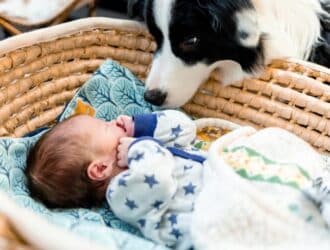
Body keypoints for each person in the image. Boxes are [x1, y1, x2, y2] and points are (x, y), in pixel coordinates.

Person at [26, 110, 204, 249]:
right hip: (208, 224)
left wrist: (139, 126)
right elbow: (160, 181)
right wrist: (137, 146)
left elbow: (186, 129)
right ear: (100, 168)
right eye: (105, 126)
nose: (113, 121)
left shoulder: (145, 151)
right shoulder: (121, 192)